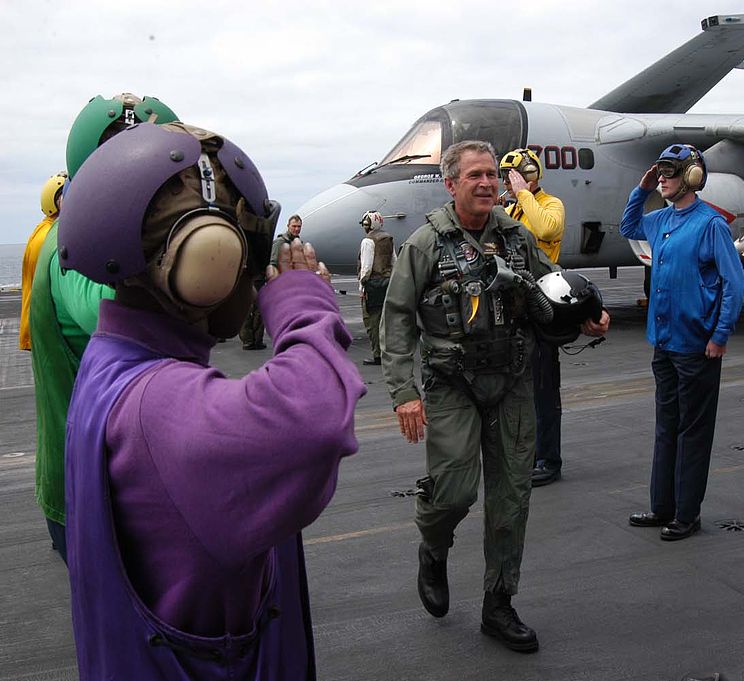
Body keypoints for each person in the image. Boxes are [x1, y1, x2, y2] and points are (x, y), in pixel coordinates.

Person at [57, 120, 365, 677]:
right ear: (211, 259)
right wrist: (303, 306)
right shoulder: (157, 407)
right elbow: (314, 418)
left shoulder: (108, 363)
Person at [381, 140, 608, 653]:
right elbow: (397, 318)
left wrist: (587, 315)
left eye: (492, 175)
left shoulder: (515, 237)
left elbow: (551, 287)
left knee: (511, 500)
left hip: (512, 382)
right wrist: (403, 392)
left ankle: (499, 603)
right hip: (452, 385)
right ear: (451, 184)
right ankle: (433, 548)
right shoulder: (424, 245)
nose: (487, 183)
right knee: (455, 492)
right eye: (475, 175)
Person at [30, 93, 178, 562]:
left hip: (124, 479)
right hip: (95, 490)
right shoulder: (72, 246)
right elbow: (112, 318)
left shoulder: (93, 234)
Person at [620, 143, 744, 542]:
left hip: (697, 346)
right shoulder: (660, 220)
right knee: (666, 427)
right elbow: (628, 228)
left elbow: (734, 284)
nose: (663, 179)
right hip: (665, 344)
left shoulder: (711, 225)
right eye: (660, 173)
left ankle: (687, 514)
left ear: (692, 177)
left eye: (669, 173)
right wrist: (640, 190)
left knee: (693, 432)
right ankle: (663, 507)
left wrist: (720, 334)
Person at [500, 148, 567, 486]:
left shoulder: (550, 204)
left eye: (513, 175)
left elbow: (547, 230)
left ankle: (549, 459)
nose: (507, 183)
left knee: (543, 389)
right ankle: (529, 454)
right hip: (516, 306)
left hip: (543, 300)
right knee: (519, 390)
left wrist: (524, 192)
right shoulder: (511, 207)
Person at [19, 171, 66, 350]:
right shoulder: (48, 237)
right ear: (56, 202)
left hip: (37, 323)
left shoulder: (43, 230)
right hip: (43, 324)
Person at [357, 210, 394, 365]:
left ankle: (377, 355)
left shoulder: (368, 241)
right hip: (387, 283)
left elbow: (366, 268)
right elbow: (394, 261)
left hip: (373, 285)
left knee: (371, 321)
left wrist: (362, 287)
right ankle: (389, 353)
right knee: (385, 320)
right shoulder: (388, 239)